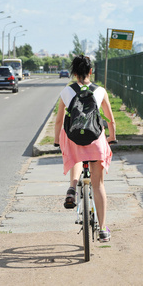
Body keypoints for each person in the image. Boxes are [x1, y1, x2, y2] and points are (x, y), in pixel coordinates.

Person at [54, 55, 116, 242]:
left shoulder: (66, 91)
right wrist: (112, 137)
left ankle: (72, 187)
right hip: (95, 139)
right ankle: (103, 229)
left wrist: (57, 141)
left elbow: (58, 121)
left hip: (74, 138)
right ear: (90, 71)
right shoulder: (100, 91)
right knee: (98, 185)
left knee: (76, 156)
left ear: (73, 73)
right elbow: (110, 118)